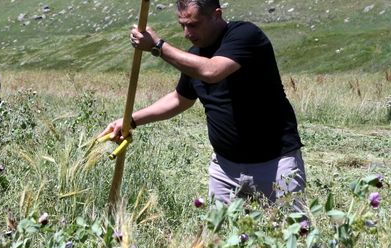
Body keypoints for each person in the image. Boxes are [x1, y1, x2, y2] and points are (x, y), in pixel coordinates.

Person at [100, 0, 306, 207]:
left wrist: (157, 46)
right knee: (220, 237)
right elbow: (180, 98)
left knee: (293, 234)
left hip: (275, 164)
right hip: (225, 169)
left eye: (193, 25)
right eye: (182, 25)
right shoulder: (195, 56)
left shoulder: (245, 35)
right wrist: (130, 120)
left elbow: (212, 72)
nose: (186, 33)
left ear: (216, 14)